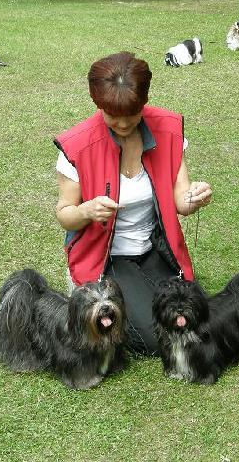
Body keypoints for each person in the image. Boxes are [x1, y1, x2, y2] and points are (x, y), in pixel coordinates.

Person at [54, 52, 212, 355]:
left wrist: (194, 197)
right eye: (113, 115)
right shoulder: (77, 145)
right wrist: (86, 210)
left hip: (154, 247)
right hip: (107, 257)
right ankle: (85, 292)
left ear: (144, 101)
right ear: (98, 104)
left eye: (133, 113)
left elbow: (181, 200)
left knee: (192, 317)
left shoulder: (168, 129)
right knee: (155, 338)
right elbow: (64, 214)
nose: (124, 122)